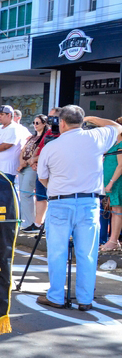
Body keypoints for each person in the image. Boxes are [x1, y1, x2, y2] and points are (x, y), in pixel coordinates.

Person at [36, 106, 122, 311]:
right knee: (87, 253)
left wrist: (55, 189)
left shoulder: (51, 146)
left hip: (59, 202)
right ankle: (85, 299)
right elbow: (117, 127)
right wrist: (92, 118)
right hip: (88, 202)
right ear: (81, 121)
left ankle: (56, 296)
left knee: (57, 252)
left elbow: (42, 177)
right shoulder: (96, 137)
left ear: (62, 123)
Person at [17, 114, 48, 233]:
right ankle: (26, 221)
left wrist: (27, 163)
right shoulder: (32, 137)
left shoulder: (44, 138)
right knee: (23, 193)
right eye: (34, 123)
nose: (35, 125)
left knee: (27, 194)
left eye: (37, 123)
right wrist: (21, 163)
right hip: (24, 167)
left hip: (32, 167)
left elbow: (41, 153)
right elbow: (23, 150)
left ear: (44, 124)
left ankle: (30, 222)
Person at [101, 117, 122, 252]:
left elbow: (120, 166)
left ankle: (113, 240)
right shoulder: (114, 143)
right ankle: (113, 240)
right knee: (114, 211)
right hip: (110, 183)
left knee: (117, 211)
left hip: (116, 183)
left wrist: (111, 183)